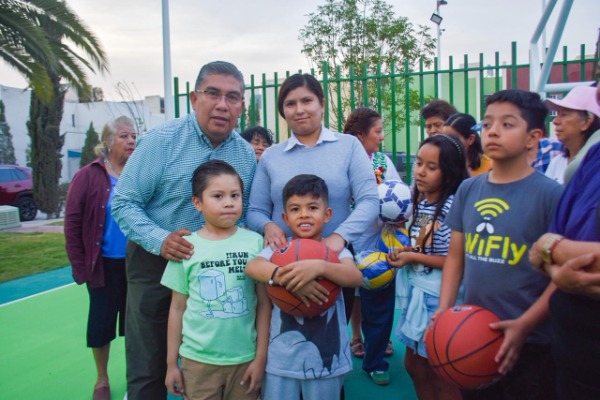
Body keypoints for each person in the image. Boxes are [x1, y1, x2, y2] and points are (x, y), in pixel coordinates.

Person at [111, 61, 257, 400]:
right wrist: (161, 240)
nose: (222, 105)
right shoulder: (161, 141)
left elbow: (245, 214)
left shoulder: (245, 155)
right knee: (148, 363)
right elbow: (124, 201)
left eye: (233, 97)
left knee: (214, 355)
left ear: (241, 105)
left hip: (218, 268)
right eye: (213, 94)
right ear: (194, 98)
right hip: (156, 262)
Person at [436, 89, 563, 400]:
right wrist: (444, 309)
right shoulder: (468, 189)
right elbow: (456, 258)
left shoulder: (551, 195)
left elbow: (561, 277)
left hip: (532, 341)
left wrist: (524, 324)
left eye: (507, 124)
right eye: (487, 123)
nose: (493, 131)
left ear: (533, 138)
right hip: (472, 335)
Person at [246, 73, 379, 336]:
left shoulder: (348, 146)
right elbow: (255, 210)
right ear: (283, 111)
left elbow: (369, 200)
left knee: (331, 339)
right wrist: (269, 226)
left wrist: (339, 237)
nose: (299, 110)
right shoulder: (272, 156)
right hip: (283, 264)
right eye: (290, 104)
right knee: (284, 339)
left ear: (321, 103)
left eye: (306, 101)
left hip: (334, 262)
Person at [245, 174, 363, 400]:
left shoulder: (336, 251)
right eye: (295, 209)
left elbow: (355, 277)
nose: (304, 214)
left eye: (312, 207)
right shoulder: (279, 248)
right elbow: (253, 267)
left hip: (328, 358)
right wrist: (285, 277)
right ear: (285, 218)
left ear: (327, 214)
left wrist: (320, 267)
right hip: (281, 358)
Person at [162, 160, 269, 400]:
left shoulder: (255, 243)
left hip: (245, 358)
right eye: (218, 196)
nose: (229, 202)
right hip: (197, 361)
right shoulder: (186, 247)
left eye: (235, 195)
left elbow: (264, 304)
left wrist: (260, 358)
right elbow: (177, 308)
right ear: (197, 203)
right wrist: (171, 364)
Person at [385, 134, 468, 400]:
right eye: (419, 163)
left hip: (439, 296)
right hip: (419, 292)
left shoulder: (452, 207)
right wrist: (407, 252)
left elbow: (455, 260)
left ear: (449, 173)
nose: (420, 172)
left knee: (439, 371)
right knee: (414, 365)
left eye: (431, 167)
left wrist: (413, 258)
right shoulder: (422, 202)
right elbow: (424, 246)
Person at [64, 116, 136, 400]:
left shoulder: (139, 172)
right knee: (101, 325)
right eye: (123, 136)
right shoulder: (88, 175)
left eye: (133, 136)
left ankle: (136, 377)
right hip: (103, 265)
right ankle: (102, 379)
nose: (131, 141)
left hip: (137, 264)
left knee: (136, 326)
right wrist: (80, 266)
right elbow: (72, 222)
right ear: (107, 141)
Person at [529, 142, 600, 399]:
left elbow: (546, 246)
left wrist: (551, 248)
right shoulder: (595, 156)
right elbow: (540, 248)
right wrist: (554, 261)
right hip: (571, 354)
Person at [342, 107, 400, 384]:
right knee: (340, 303)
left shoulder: (382, 162)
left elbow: (399, 195)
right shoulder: (339, 160)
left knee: (379, 304)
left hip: (377, 244)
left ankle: (375, 360)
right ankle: (333, 358)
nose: (381, 136)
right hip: (342, 242)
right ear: (359, 135)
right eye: (377, 131)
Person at [544, 85, 600, 184]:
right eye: (557, 114)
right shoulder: (557, 162)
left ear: (587, 122)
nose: (555, 121)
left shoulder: (595, 164)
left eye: (564, 114)